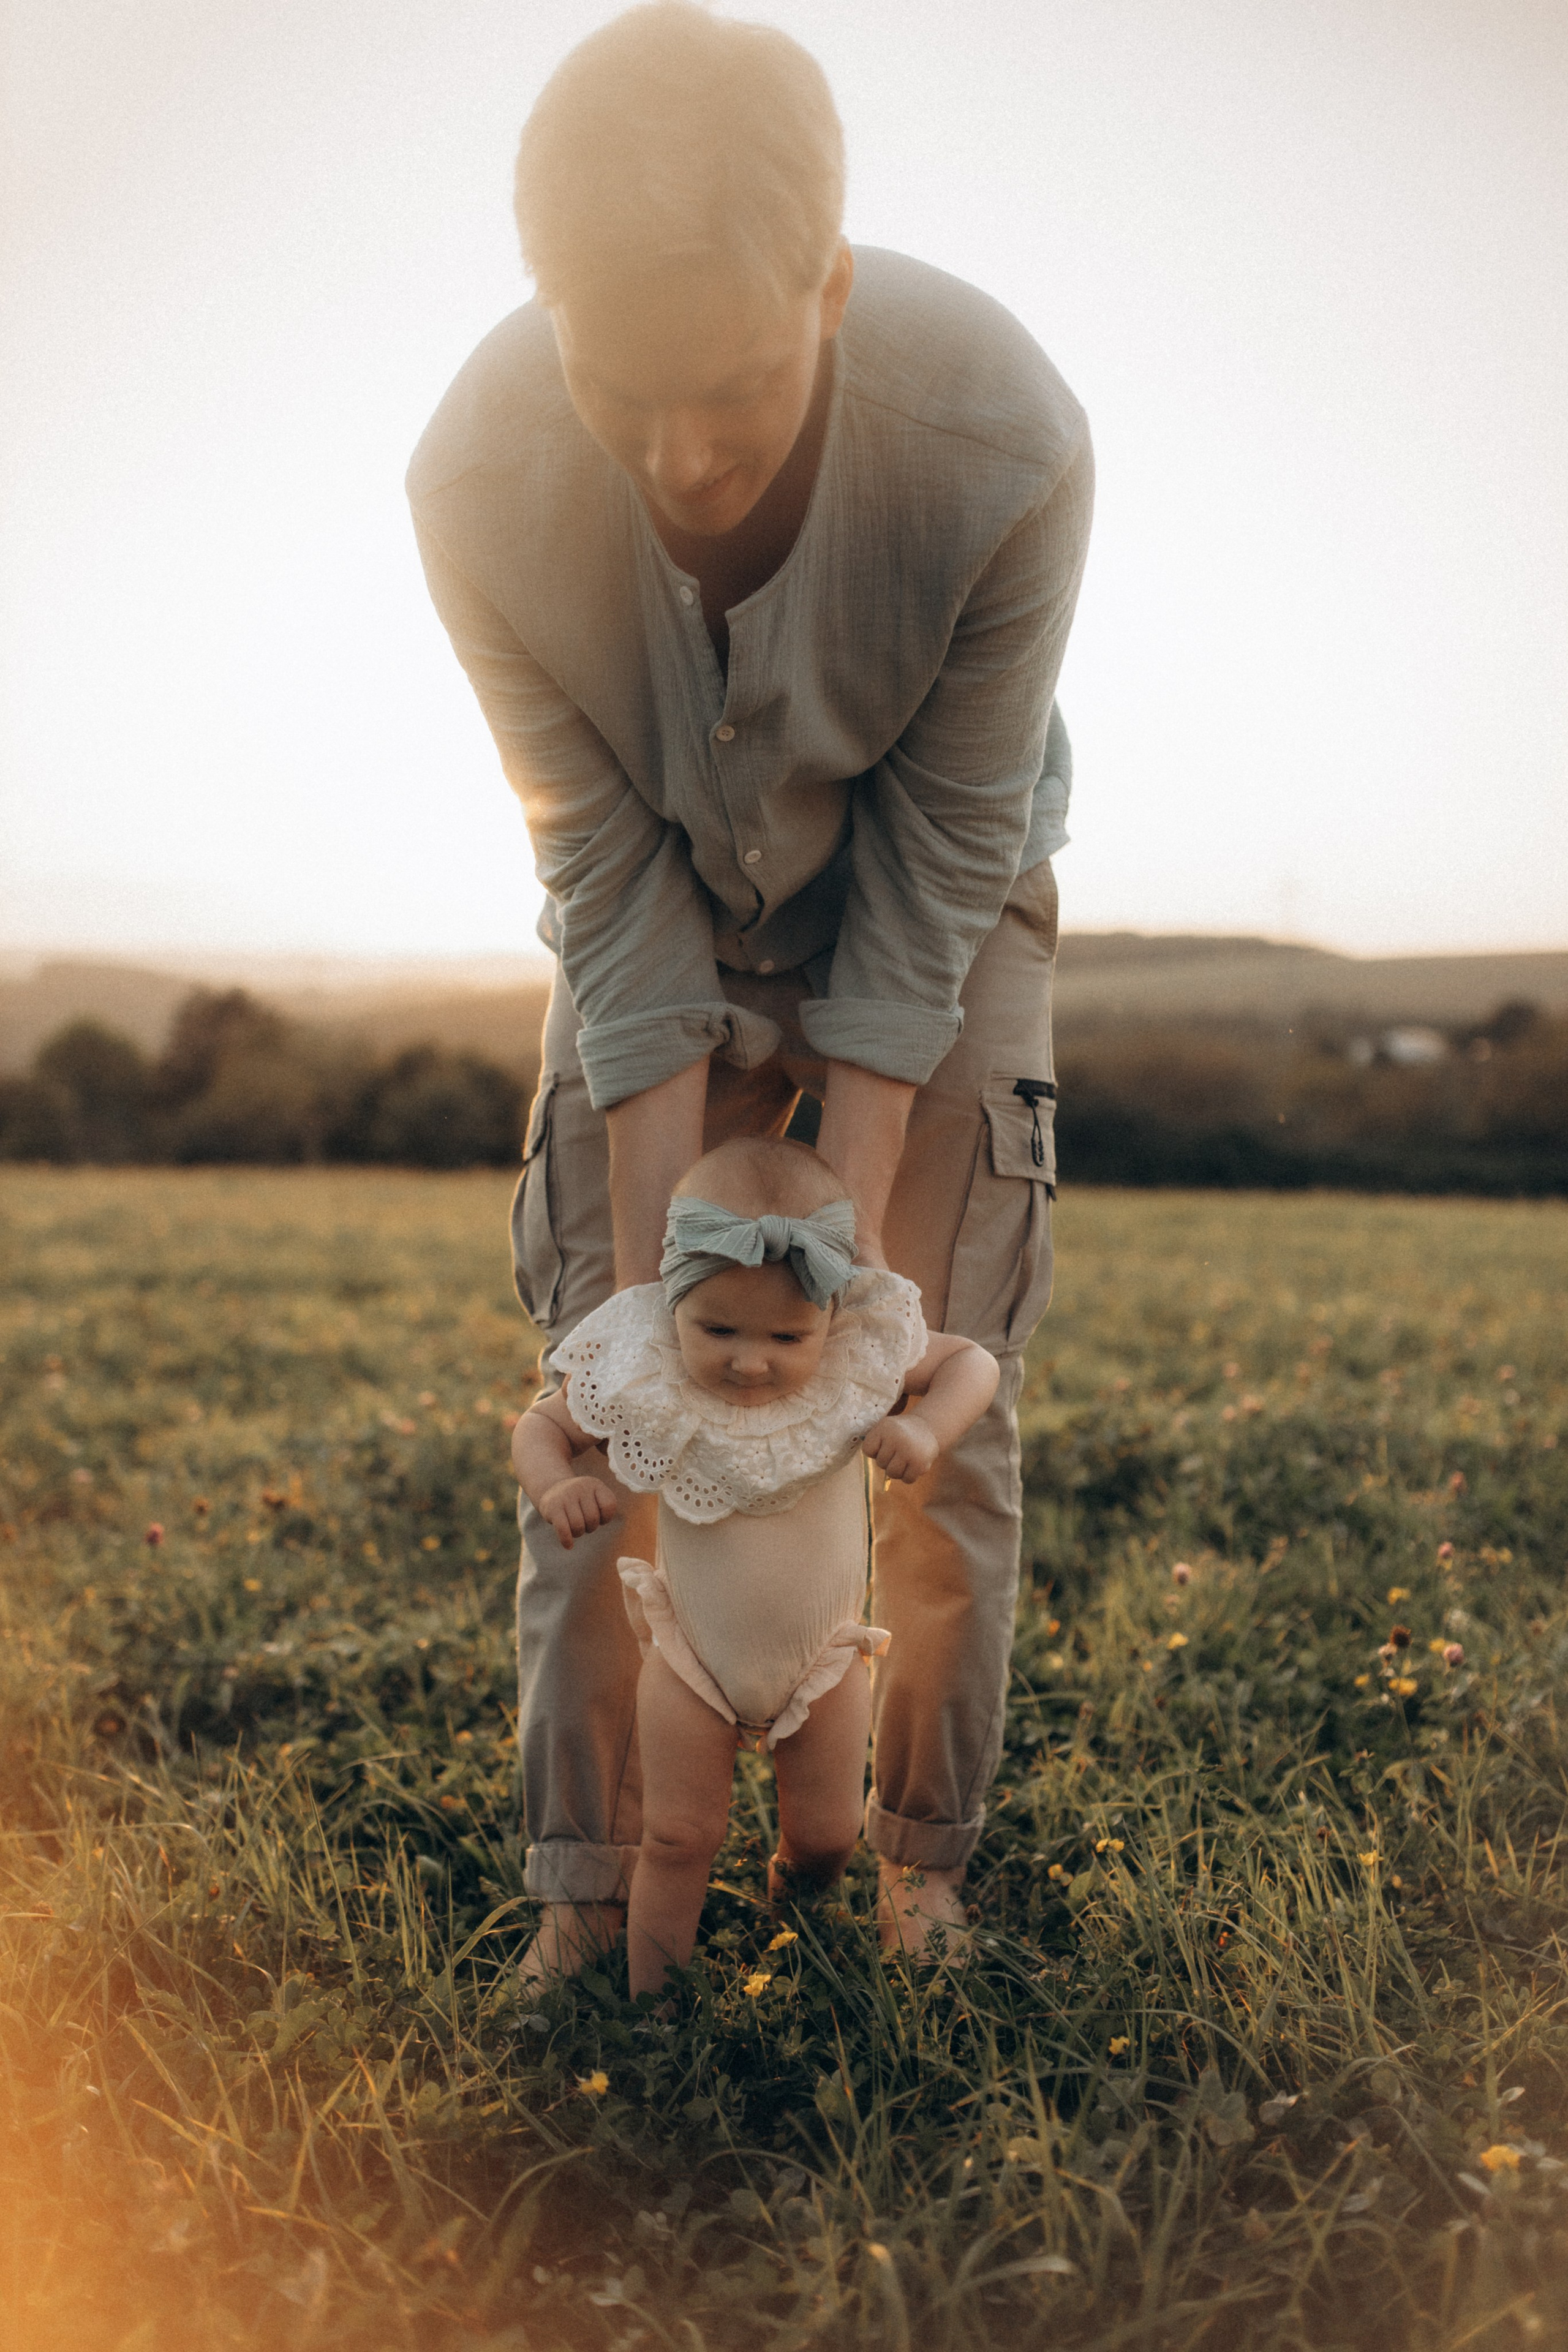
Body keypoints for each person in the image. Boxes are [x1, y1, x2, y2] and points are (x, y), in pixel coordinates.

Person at [407, 1, 1093, 1969]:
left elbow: (940, 869)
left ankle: (913, 1872)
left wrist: (839, 1301)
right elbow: (604, 888)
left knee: (929, 1370)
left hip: (935, 893)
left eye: (733, 388)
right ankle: (585, 1899)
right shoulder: (474, 482)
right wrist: (653, 1329)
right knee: (612, 1379)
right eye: (624, 393)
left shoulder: (1007, 443)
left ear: (834, 282)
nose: (682, 456)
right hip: (661, 901)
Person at [510, 1137, 1000, 1991]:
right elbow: (541, 1427)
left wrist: (925, 1428)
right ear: (675, 1304)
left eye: (786, 1334)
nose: (748, 1358)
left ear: (831, 1317)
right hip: (691, 1660)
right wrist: (555, 1488)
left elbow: (973, 1363)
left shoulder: (857, 1363)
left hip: (824, 1659)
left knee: (827, 1836)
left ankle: (793, 1926)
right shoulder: (651, 1369)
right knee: (678, 1836)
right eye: (717, 1328)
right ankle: (653, 2009)